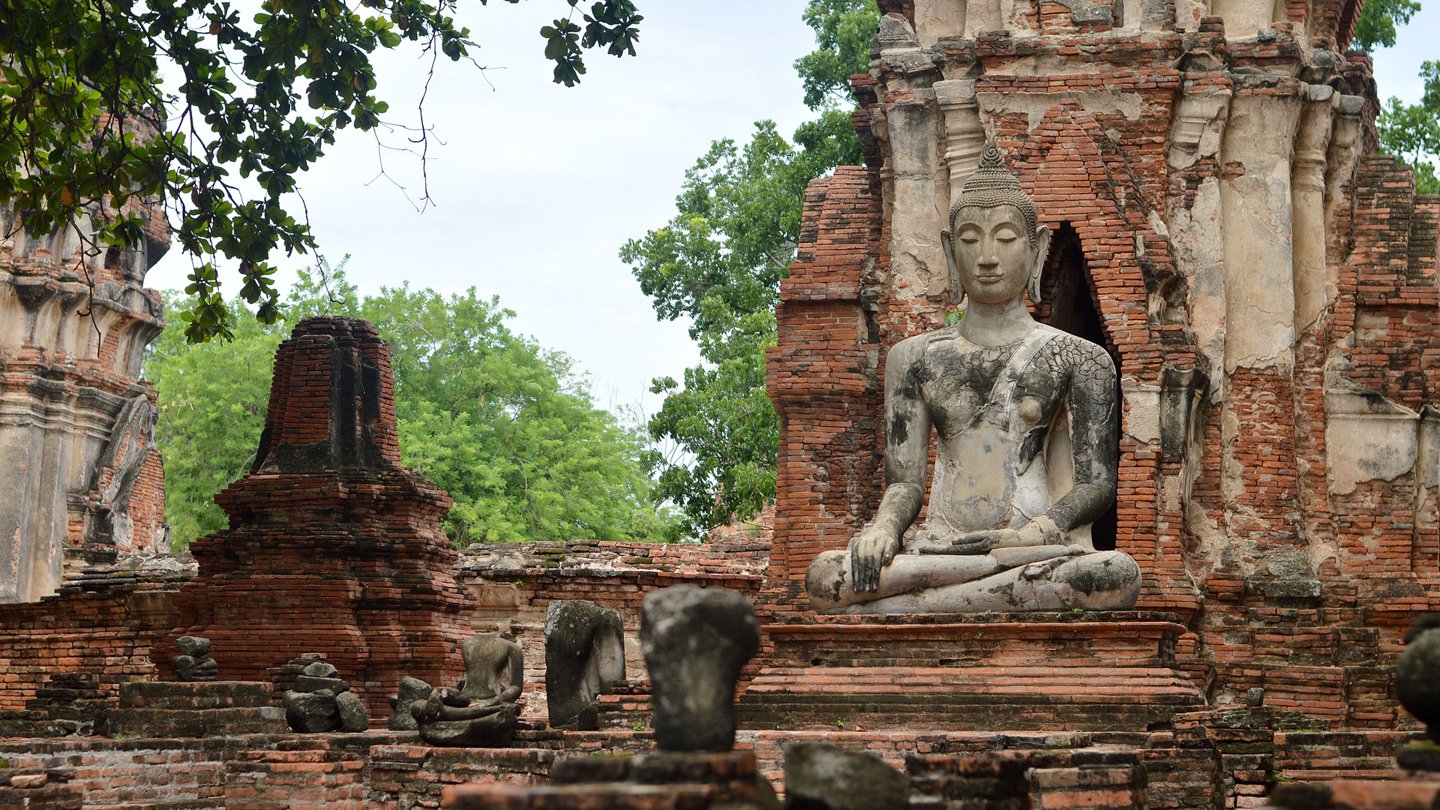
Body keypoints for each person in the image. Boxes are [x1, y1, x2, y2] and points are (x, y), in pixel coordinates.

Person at [806, 141, 1141, 614]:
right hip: (939, 545)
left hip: (1032, 547)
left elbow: (1096, 487)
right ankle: (973, 590)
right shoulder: (913, 358)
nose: (986, 256)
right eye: (970, 239)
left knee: (1112, 575)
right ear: (949, 250)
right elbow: (905, 485)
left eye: (1005, 238)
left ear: (1038, 250)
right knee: (824, 575)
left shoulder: (1079, 358)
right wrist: (883, 529)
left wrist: (1028, 535)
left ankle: (918, 604)